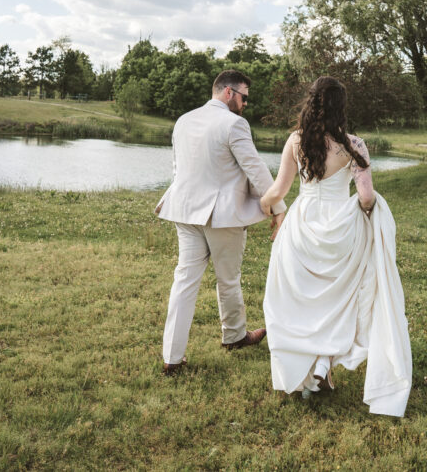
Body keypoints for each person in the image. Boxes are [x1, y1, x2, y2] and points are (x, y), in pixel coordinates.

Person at [260, 76, 411, 417]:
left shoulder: (296, 142)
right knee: (334, 300)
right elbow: (366, 196)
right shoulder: (354, 145)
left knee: (300, 300)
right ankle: (322, 369)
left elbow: (278, 192)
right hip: (341, 227)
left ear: (310, 104)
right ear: (341, 108)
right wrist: (373, 217)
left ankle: (308, 373)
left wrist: (267, 207)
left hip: (302, 225)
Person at [155, 69, 285, 376]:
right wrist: (277, 208)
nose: (245, 104)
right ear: (228, 93)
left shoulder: (184, 120)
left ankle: (172, 357)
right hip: (220, 216)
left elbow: (178, 168)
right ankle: (234, 336)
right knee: (228, 279)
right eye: (244, 97)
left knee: (184, 280)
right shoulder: (234, 124)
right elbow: (254, 168)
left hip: (184, 210)